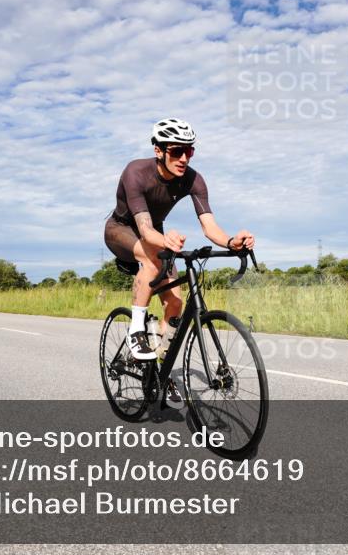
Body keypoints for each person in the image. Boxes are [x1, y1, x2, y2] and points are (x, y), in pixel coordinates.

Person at [104, 118, 256, 394]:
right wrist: (165, 241)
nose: (184, 158)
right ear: (158, 150)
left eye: (189, 151)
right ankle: (136, 331)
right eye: (176, 151)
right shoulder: (136, 172)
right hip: (122, 230)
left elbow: (209, 226)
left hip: (156, 234)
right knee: (152, 259)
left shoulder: (193, 179)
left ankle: (159, 371)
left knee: (175, 303)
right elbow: (145, 229)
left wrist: (231, 242)